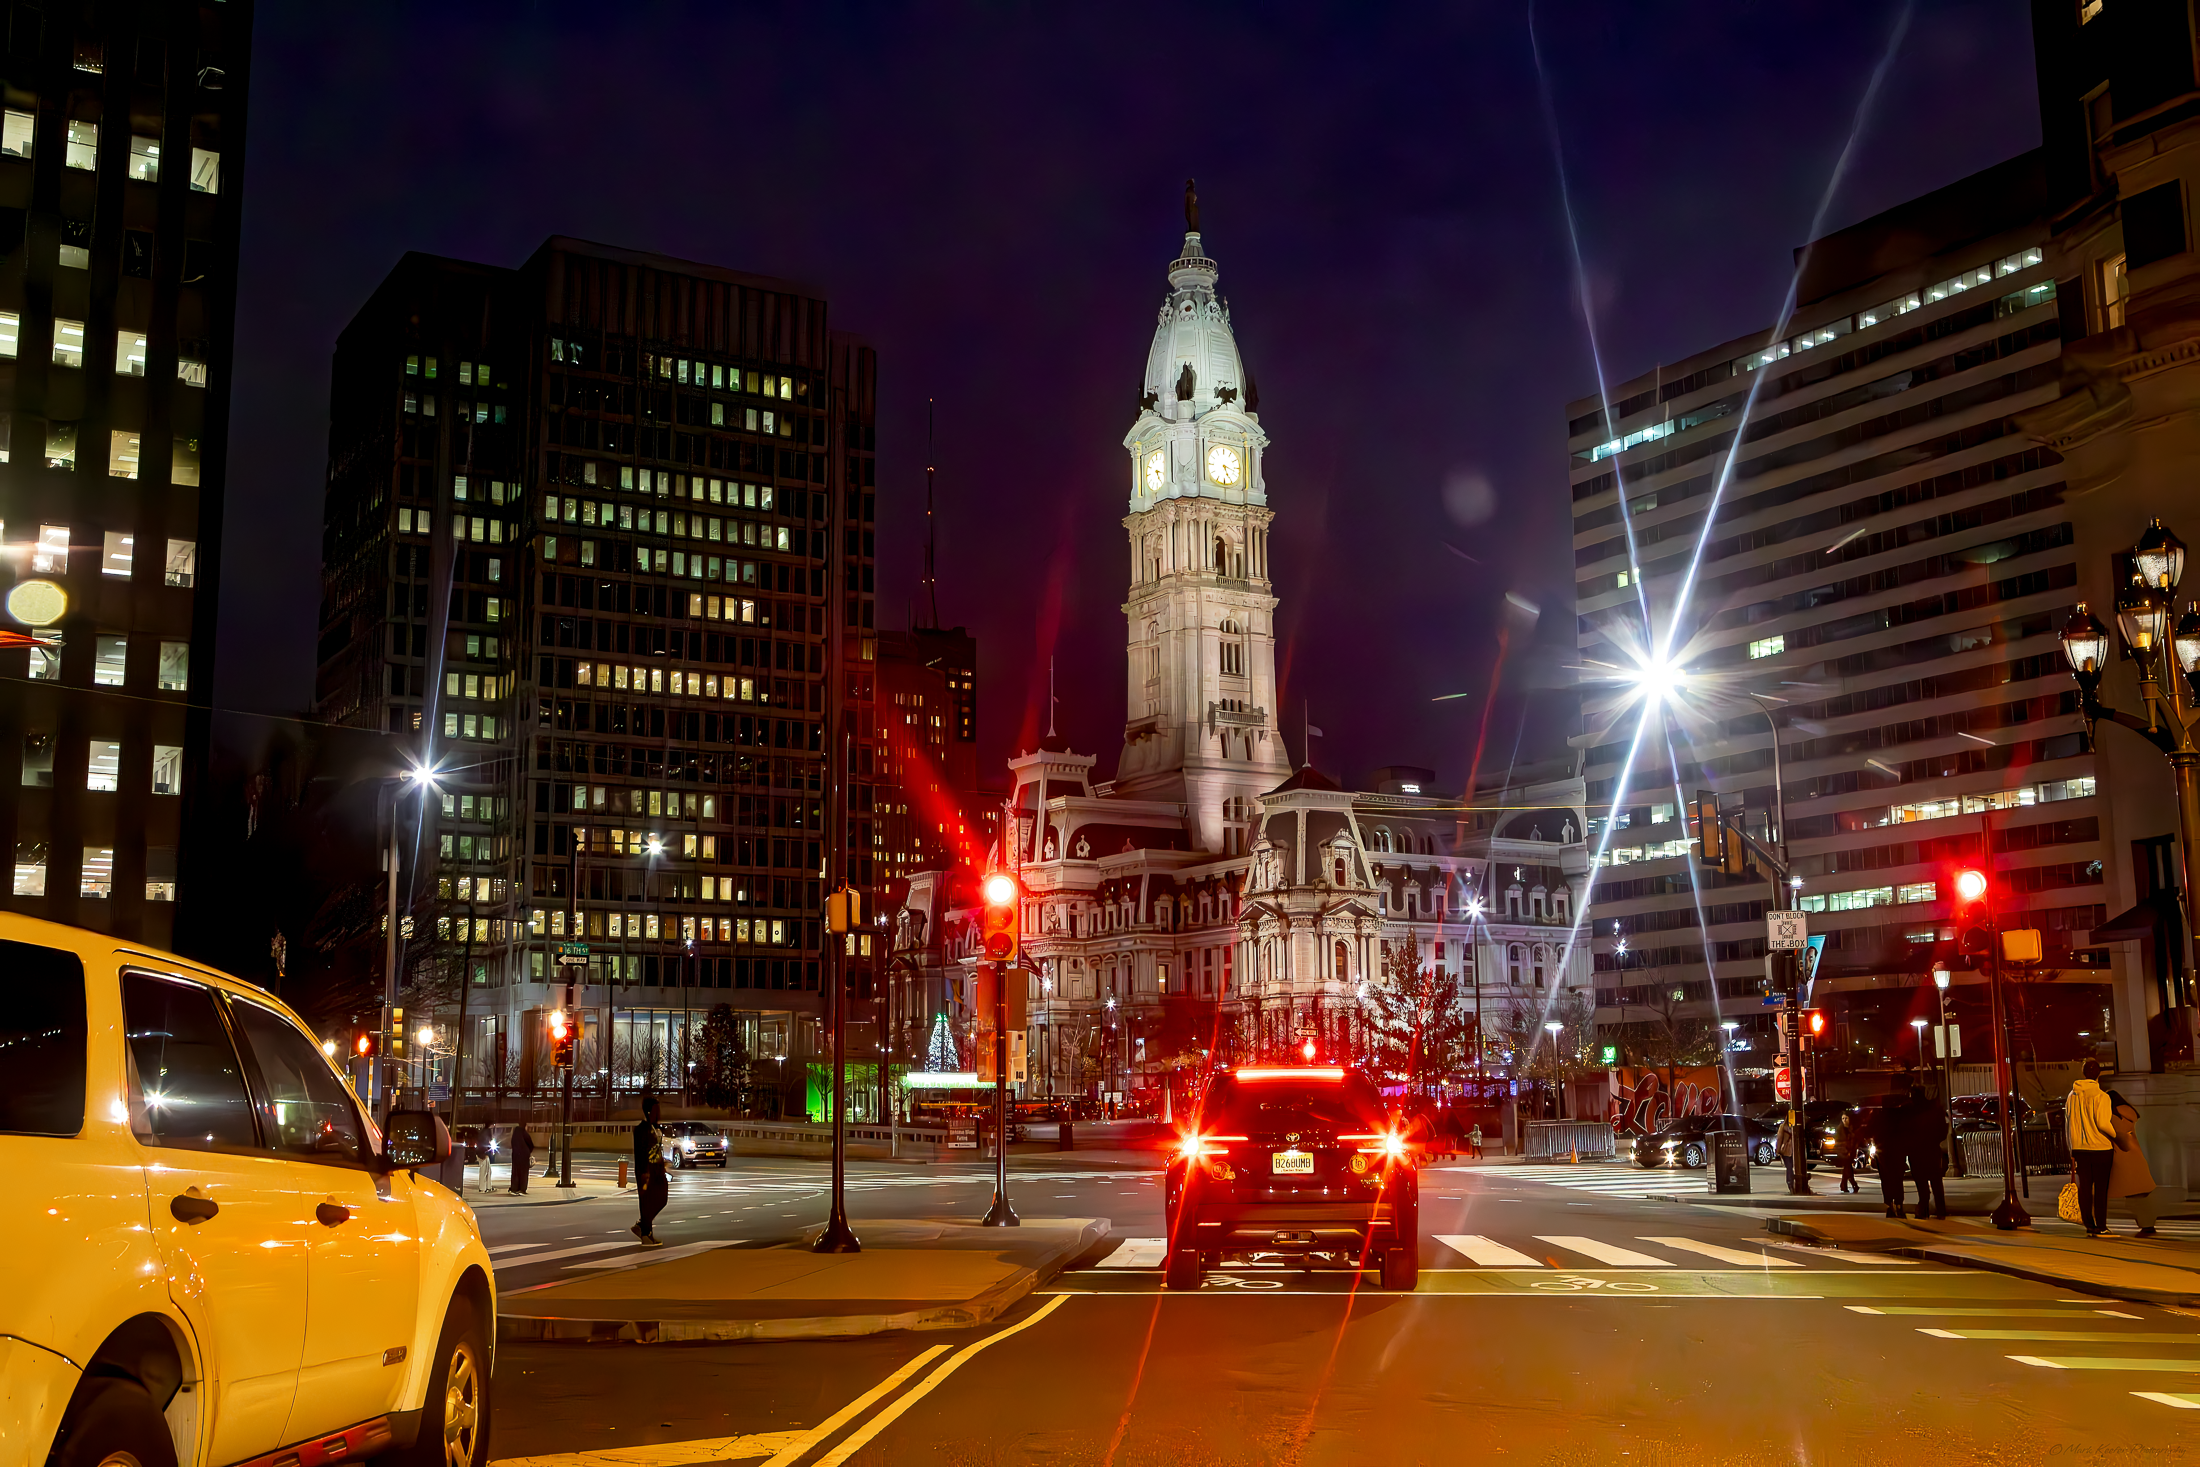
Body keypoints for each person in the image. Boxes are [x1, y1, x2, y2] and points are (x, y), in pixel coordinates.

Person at [2065, 1058, 2119, 1237]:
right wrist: (2116, 1135)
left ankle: (2089, 1225)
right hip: (2101, 1148)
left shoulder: (2071, 1096)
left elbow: (2068, 1124)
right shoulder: (2101, 1096)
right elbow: (2103, 1123)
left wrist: (2071, 1148)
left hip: (2080, 1148)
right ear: (2098, 1074)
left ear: (2083, 1074)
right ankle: (2102, 1226)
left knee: (2085, 1187)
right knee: (2101, 1189)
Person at [2107, 1088, 2158, 1238]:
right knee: (2139, 1197)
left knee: (2134, 1198)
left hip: (2123, 1159)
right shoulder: (2130, 1113)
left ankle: (2147, 1226)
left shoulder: (2113, 1116)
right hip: (2136, 1158)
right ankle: (2148, 1225)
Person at [1904, 1084, 1947, 1220]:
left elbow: (1905, 1132)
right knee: (1936, 1180)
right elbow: (1942, 1131)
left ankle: (1923, 1206)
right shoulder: (1935, 1109)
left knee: (1921, 1181)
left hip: (1916, 1150)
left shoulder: (1910, 1111)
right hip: (1931, 1149)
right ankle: (1940, 1209)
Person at [632, 1091, 669, 1245]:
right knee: (647, 1202)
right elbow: (641, 1153)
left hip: (658, 1169)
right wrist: (644, 1172)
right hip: (647, 1171)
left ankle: (642, 1226)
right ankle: (646, 1233)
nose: (658, 1113)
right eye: (655, 1110)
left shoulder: (655, 1128)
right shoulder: (642, 1130)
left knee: (662, 1199)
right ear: (648, 1112)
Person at [1871, 1091, 1911, 1218]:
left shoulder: (1879, 1116)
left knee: (1886, 1180)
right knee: (1897, 1180)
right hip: (1897, 1152)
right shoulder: (1900, 1116)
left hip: (1884, 1153)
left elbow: (1871, 1131)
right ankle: (1899, 1205)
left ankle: (1889, 1205)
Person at [1832, 1110, 1860, 1194]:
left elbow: (1856, 1140)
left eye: (1846, 1118)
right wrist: (1846, 1147)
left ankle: (1845, 1185)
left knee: (1848, 1168)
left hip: (1850, 1151)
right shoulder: (1840, 1129)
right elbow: (1838, 1141)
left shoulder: (1852, 1128)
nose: (1844, 1120)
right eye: (1843, 1118)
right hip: (1843, 1151)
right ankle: (1852, 1184)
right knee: (1847, 1167)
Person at [506, 1122, 534, 1195]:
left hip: (516, 1155)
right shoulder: (524, 1133)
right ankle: (522, 1189)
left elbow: (512, 1144)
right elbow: (531, 1144)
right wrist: (528, 1151)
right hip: (524, 1156)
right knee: (523, 1172)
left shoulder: (515, 1134)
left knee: (515, 1172)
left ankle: (515, 1188)